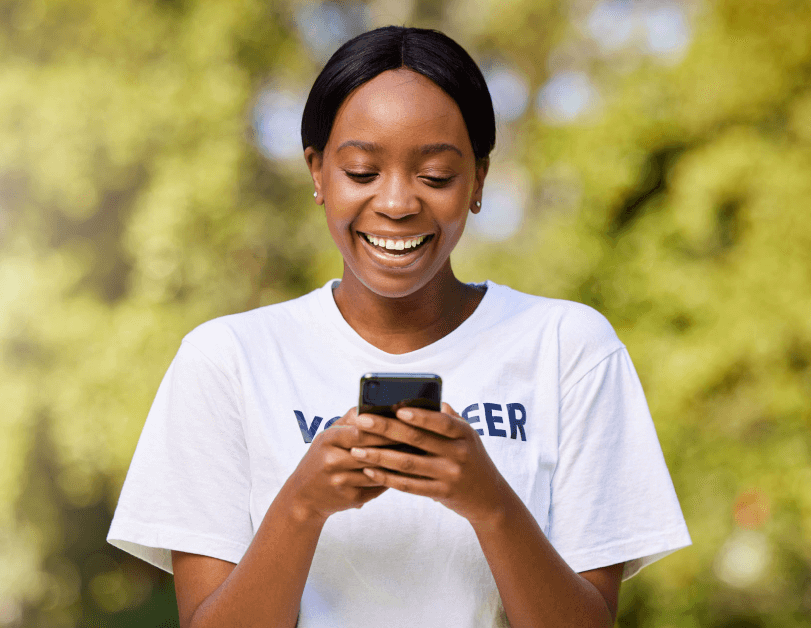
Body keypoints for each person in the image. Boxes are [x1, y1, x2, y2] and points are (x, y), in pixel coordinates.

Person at [107, 25, 691, 628]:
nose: (397, 203)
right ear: (317, 173)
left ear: (480, 181)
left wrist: (489, 503)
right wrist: (302, 505)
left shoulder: (569, 348)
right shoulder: (226, 359)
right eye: (362, 172)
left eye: (435, 176)